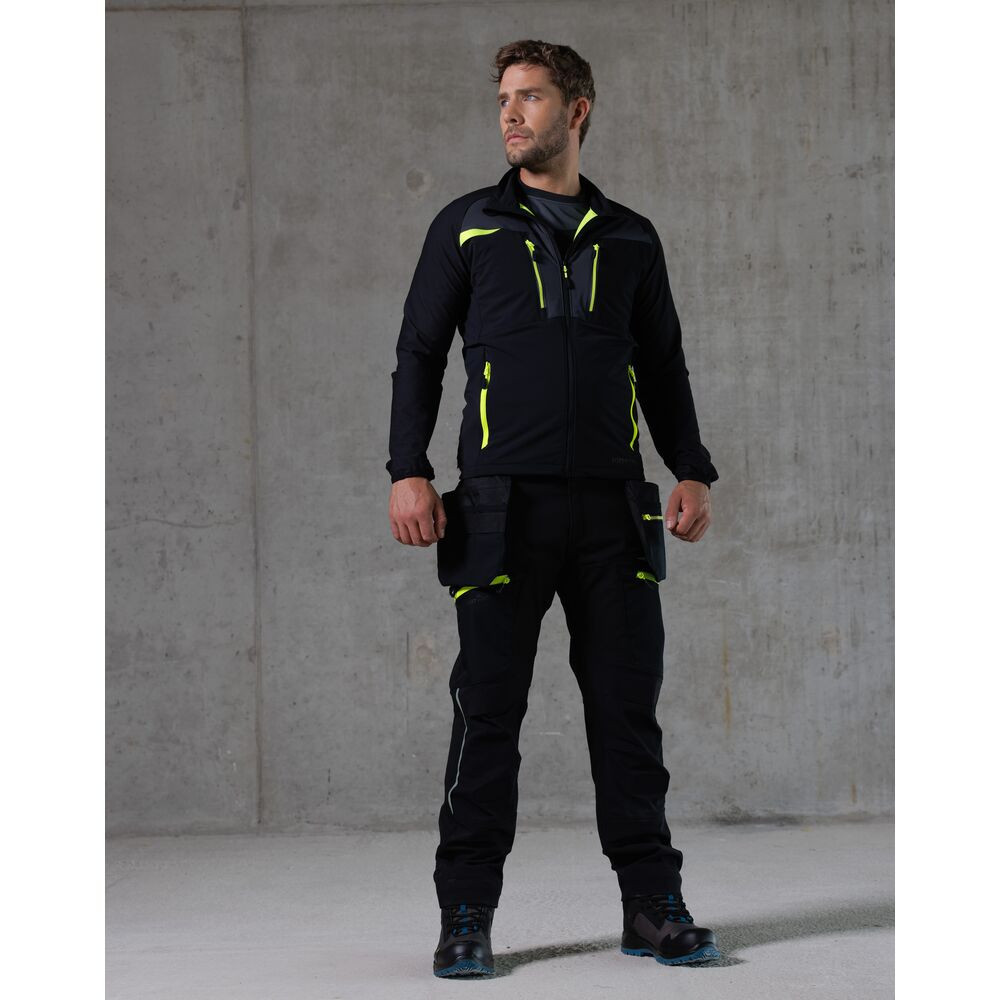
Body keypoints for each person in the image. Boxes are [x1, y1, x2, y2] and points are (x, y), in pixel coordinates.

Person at [385, 39, 722, 977]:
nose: (510, 113)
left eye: (530, 97)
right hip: (499, 510)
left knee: (627, 715)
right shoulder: (468, 227)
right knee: (487, 713)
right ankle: (465, 914)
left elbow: (663, 363)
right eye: (504, 97)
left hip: (615, 511)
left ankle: (652, 907)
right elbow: (419, 352)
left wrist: (691, 468)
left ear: (577, 110)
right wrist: (407, 468)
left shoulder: (631, 237)